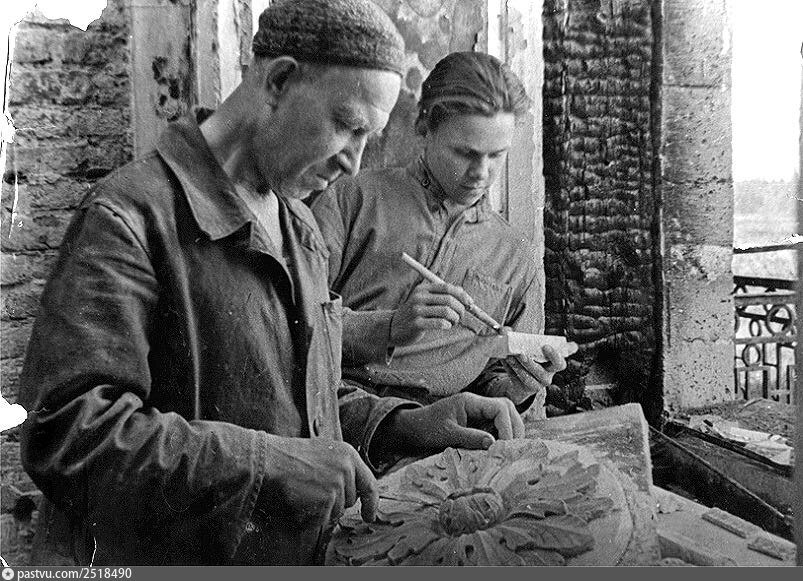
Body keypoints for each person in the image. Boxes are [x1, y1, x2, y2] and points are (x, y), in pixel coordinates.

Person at [17, 1, 525, 566]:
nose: (354, 163)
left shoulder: (299, 226)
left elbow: (300, 406)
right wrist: (273, 466)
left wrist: (405, 425)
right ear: (280, 80)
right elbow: (67, 436)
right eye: (347, 126)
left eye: (370, 137)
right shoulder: (129, 218)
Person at [310, 51, 577, 417]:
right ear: (425, 128)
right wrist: (390, 327)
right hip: (336, 410)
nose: (480, 173)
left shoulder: (514, 257)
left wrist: (519, 388)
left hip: (446, 427)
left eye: (496, 155)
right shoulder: (352, 199)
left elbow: (493, 386)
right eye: (465, 153)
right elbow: (294, 325)